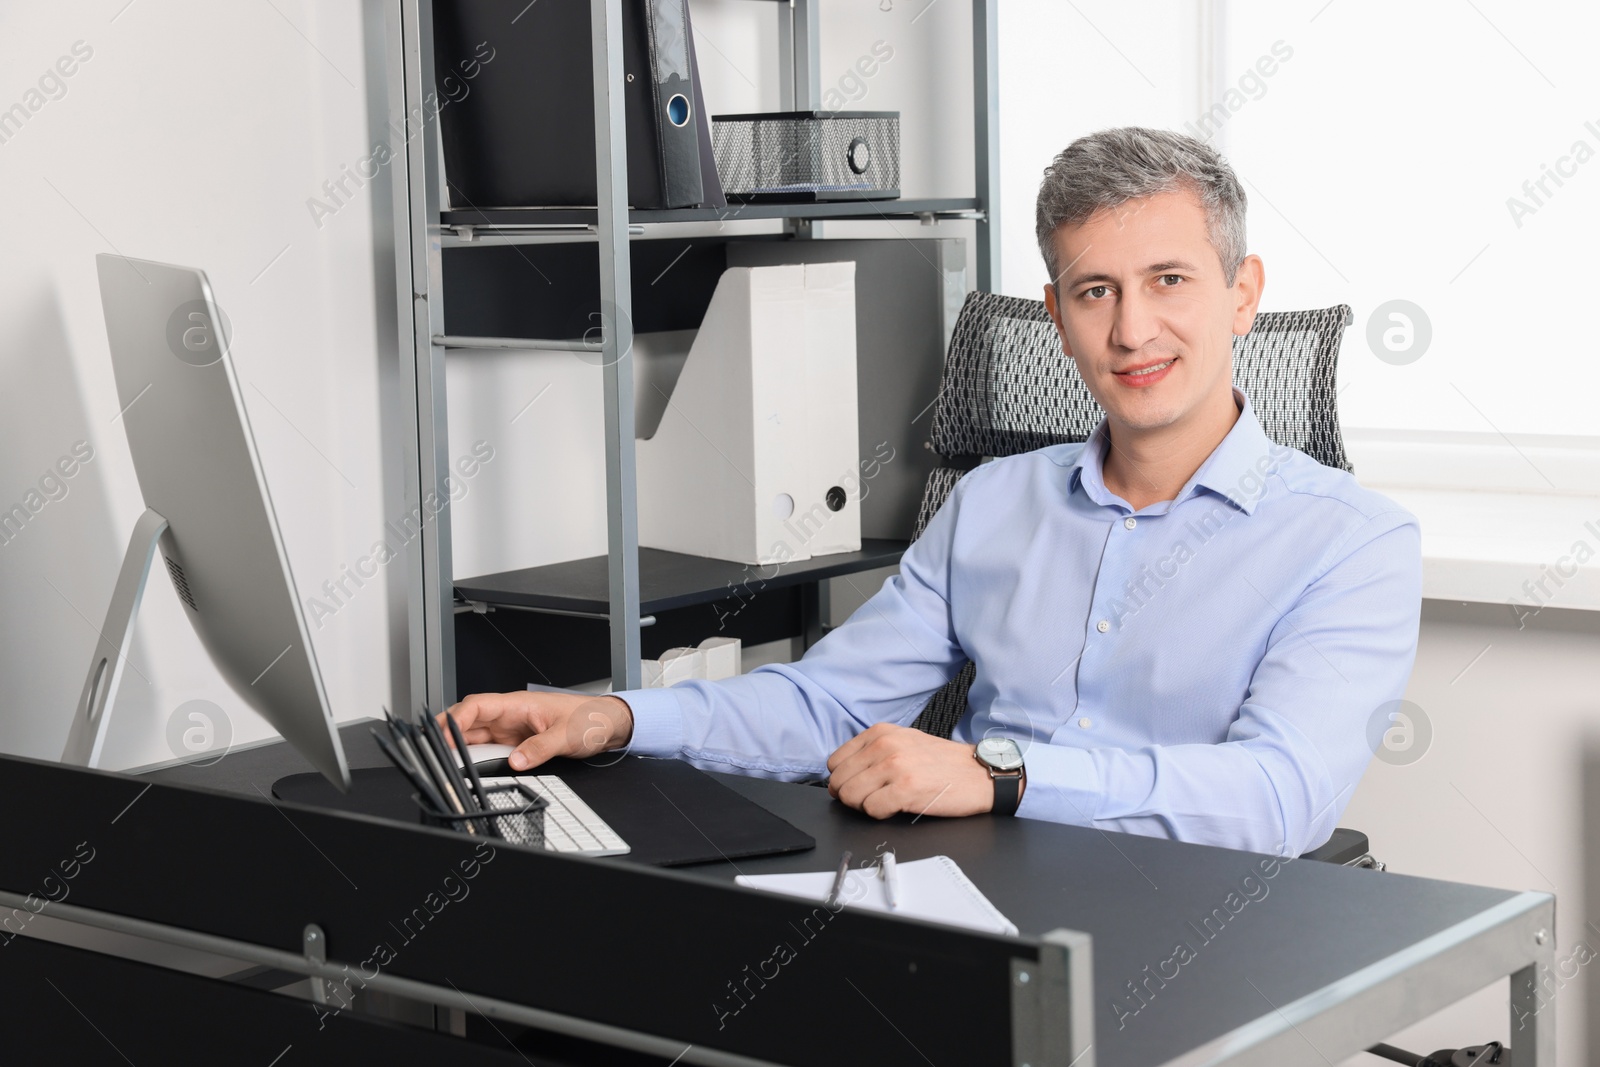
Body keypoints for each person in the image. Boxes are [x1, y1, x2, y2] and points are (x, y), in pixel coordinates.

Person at [444, 127, 1421, 857]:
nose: (1131, 331)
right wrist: (613, 718)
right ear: (1057, 315)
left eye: (1168, 279)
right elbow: (826, 704)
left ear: (1242, 293)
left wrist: (997, 772)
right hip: (962, 893)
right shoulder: (994, 502)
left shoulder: (1352, 542)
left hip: (1187, 923)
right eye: (1094, 291)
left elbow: (1278, 797)